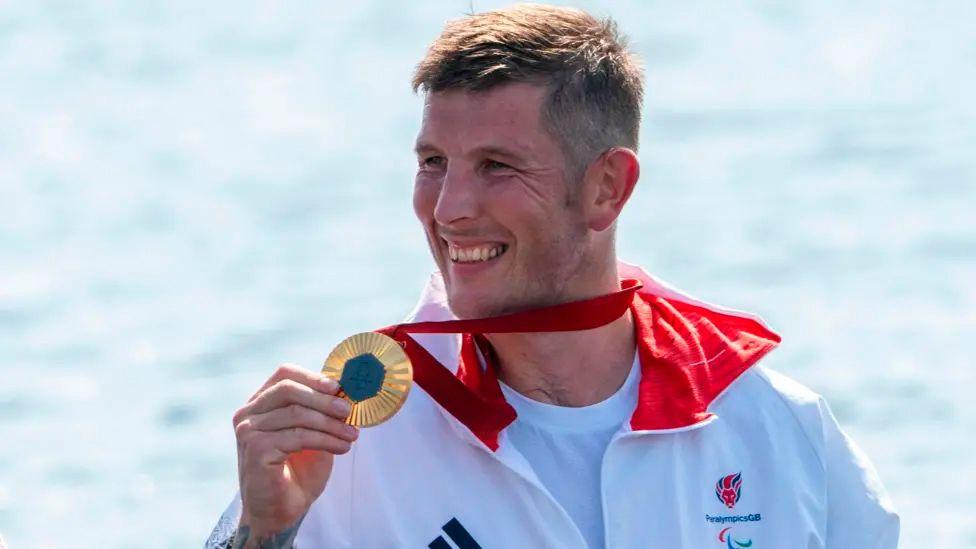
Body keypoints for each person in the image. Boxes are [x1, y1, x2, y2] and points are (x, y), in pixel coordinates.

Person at [206, 4, 899, 548]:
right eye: (432, 163)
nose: (448, 210)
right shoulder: (344, 444)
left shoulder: (781, 431)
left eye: (496, 167)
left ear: (607, 187)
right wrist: (265, 533)